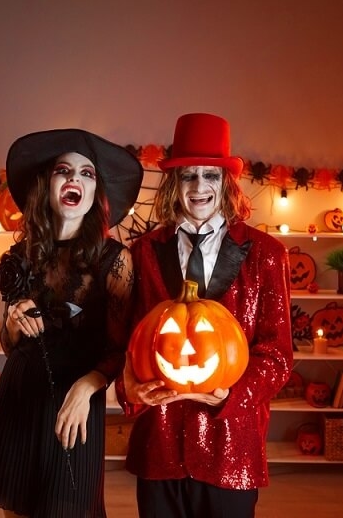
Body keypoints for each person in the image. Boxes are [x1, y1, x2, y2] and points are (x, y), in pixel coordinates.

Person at [116, 113, 294, 518]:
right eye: (188, 177)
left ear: (226, 184)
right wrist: (129, 387)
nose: (199, 188)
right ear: (174, 184)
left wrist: (231, 395)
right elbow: (127, 341)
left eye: (210, 176)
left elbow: (277, 354)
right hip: (159, 443)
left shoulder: (267, 255)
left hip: (230, 446)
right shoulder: (142, 253)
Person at [0, 129, 143, 517]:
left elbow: (120, 350)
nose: (74, 179)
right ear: (47, 185)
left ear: (95, 192)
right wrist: (14, 325)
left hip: (76, 409)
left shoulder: (115, 261)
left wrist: (87, 388)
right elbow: (9, 344)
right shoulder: (19, 257)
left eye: (87, 173)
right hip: (18, 402)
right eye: (63, 171)